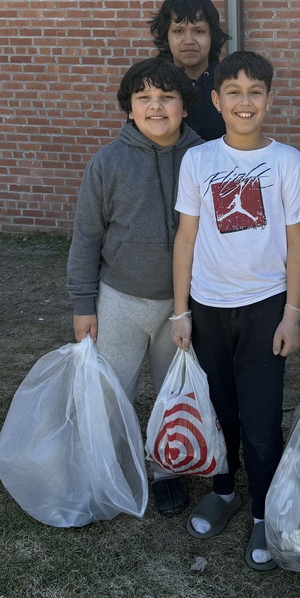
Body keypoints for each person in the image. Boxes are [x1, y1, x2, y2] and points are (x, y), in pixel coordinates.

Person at [170, 50, 300, 571]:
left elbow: (297, 243)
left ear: (270, 99)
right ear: (215, 100)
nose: (244, 102)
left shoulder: (288, 162)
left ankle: (265, 511)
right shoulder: (199, 161)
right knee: (220, 407)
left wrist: (292, 313)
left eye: (256, 92)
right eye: (234, 92)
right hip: (208, 305)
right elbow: (186, 238)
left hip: (265, 307)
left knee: (262, 416)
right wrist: (180, 311)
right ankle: (225, 490)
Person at [66, 57, 204, 517]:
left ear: (185, 106)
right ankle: (107, 467)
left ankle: (166, 468)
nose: (156, 106)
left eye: (167, 97)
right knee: (112, 392)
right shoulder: (107, 162)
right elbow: (86, 236)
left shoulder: (205, 158)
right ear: (129, 109)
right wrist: (84, 304)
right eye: (144, 98)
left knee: (174, 391)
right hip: (120, 299)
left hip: (182, 305)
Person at [149, 0, 230, 141]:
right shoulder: (148, 85)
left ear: (212, 34)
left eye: (198, 31)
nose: (189, 41)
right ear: (166, 35)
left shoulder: (230, 85)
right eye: (178, 31)